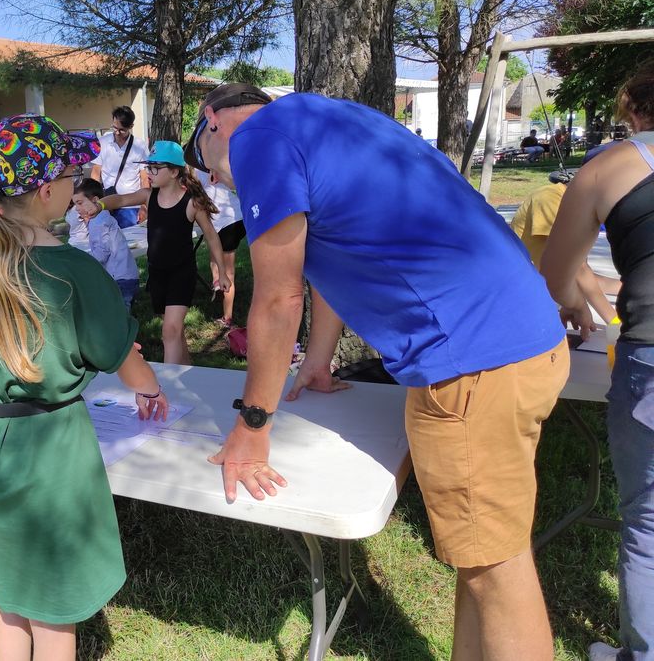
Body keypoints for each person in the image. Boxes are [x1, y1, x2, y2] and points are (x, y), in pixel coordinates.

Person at [185, 82, 568, 661]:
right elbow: (337, 258)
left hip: (471, 360)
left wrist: (253, 425)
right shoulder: (330, 120)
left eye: (203, 163)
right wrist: (317, 360)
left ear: (211, 120)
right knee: (481, 555)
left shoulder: (257, 138)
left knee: (496, 568)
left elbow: (277, 297)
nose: (215, 178)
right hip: (516, 342)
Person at [0, 114, 168, 661]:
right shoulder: (74, 271)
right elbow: (119, 354)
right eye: (70, 174)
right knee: (55, 613)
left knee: (10, 595)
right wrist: (150, 388)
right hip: (48, 450)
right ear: (45, 191)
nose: (78, 183)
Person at [541, 68, 654, 661]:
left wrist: (580, 308)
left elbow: (557, 280)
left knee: (649, 524)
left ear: (634, 110)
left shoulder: (611, 167)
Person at [101, 141, 230, 364]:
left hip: (182, 273)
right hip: (157, 274)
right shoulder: (148, 196)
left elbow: (211, 236)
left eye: (154, 168)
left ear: (173, 171)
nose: (149, 172)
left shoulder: (192, 203)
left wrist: (222, 271)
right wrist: (99, 205)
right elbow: (121, 199)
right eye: (148, 167)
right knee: (174, 331)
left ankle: (169, 386)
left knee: (169, 332)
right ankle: (188, 369)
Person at [510, 171, 619, 325]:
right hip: (521, 294)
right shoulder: (549, 198)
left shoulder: (579, 207)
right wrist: (615, 323)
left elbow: (582, 276)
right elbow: (578, 271)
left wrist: (633, 288)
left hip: (544, 286)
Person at [71, 178, 140, 306]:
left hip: (119, 279)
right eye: (75, 204)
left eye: (80, 203)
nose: (76, 208)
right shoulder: (103, 216)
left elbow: (101, 254)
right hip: (126, 275)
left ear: (95, 200)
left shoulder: (98, 222)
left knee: (119, 316)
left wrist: (84, 262)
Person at [196, 169, 245, 327]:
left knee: (228, 272)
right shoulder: (214, 163)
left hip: (227, 222)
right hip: (238, 215)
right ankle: (217, 281)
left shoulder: (194, 173)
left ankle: (227, 318)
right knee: (214, 255)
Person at [90, 106, 149, 228]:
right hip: (107, 203)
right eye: (114, 127)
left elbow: (145, 178)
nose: (117, 132)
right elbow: (96, 174)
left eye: (121, 130)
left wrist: (144, 205)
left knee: (130, 244)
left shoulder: (140, 146)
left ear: (130, 127)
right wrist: (92, 200)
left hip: (131, 206)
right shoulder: (103, 142)